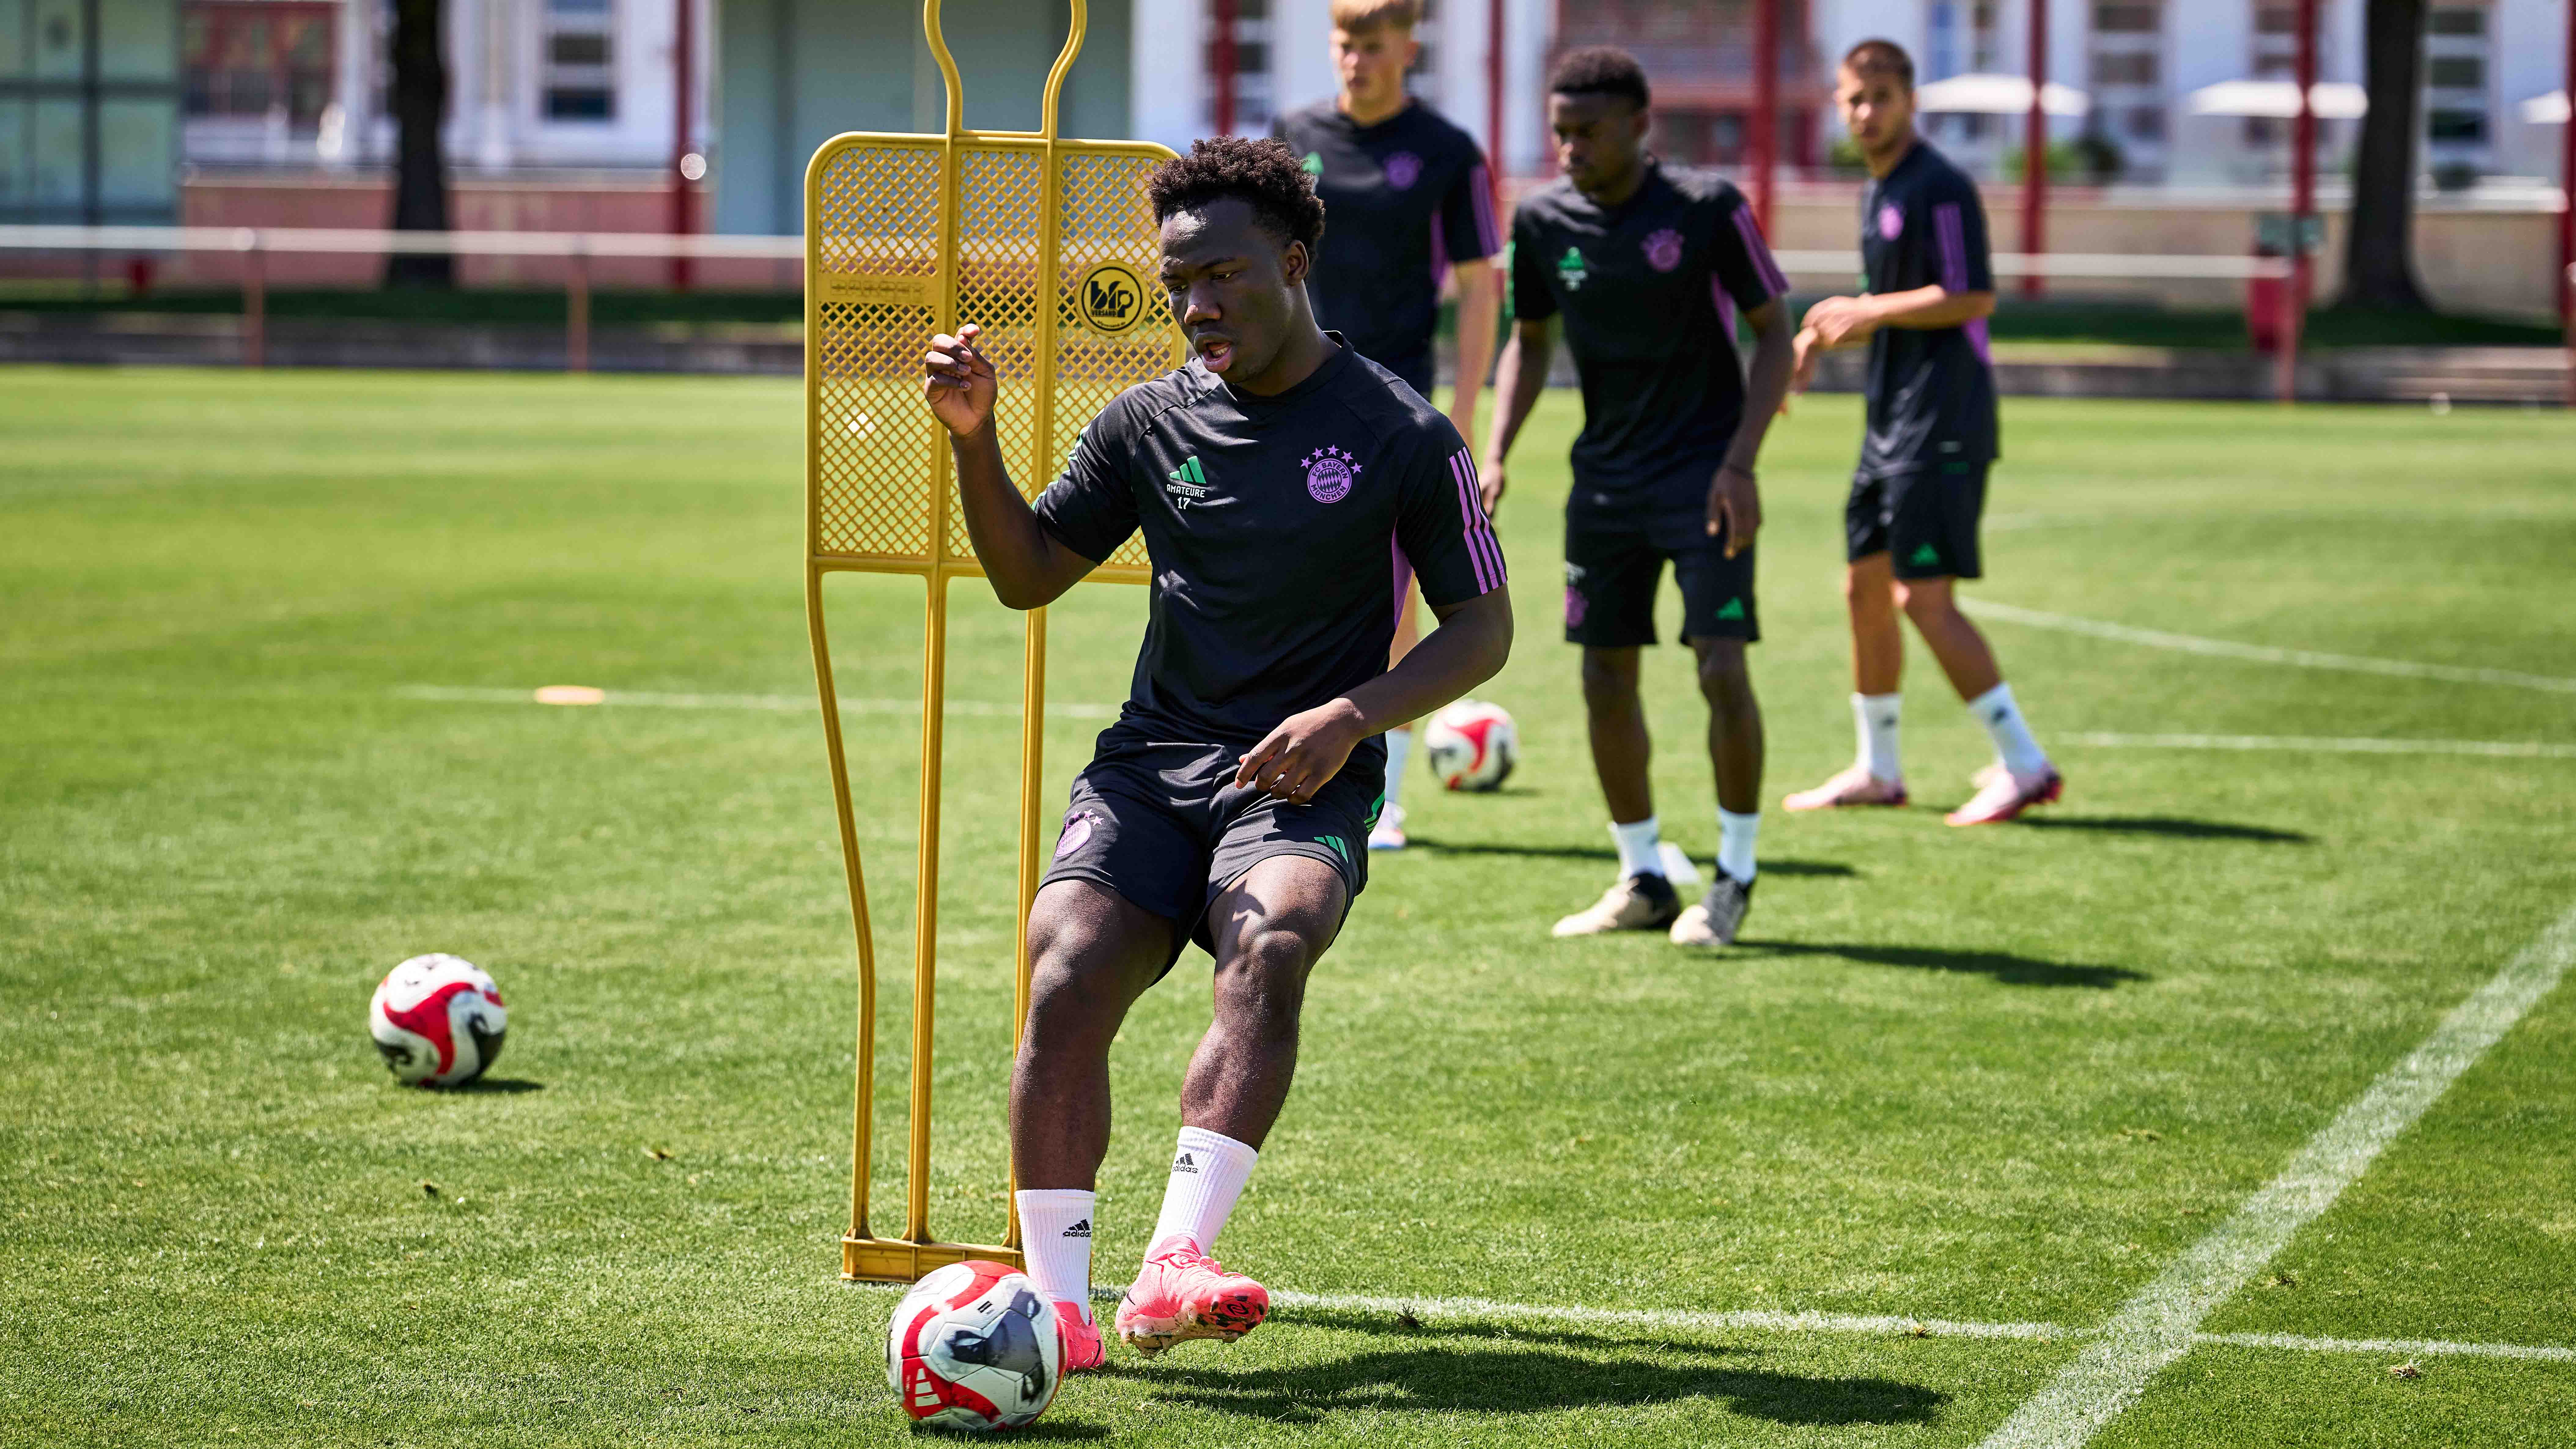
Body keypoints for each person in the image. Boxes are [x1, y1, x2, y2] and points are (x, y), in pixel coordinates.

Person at [920, 137, 1513, 1370]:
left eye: (1225, 277)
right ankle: (1059, 1313)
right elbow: (1029, 576)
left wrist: (1353, 716)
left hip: (1305, 773)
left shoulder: (1404, 433)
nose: (1195, 306)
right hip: (1154, 763)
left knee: (1274, 935)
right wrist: (975, 443)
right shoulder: (1143, 421)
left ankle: (1173, 1263)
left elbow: (1484, 629)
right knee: (1064, 970)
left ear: (1294, 266)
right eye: (1177, 280)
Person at [1480, 47, 1795, 948]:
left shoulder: (1706, 210)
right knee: (1601, 675)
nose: (1570, 147)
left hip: (1704, 480)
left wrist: (1741, 464)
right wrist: (1495, 450)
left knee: (1719, 668)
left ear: (1637, 126)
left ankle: (1733, 875)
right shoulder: (1540, 221)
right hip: (1605, 486)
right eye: (1560, 132)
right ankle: (1642, 874)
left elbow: (1777, 335)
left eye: (1588, 131)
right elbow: (1528, 342)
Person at [1783, 39, 2062, 826]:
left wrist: (1867, 309)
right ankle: (1878, 767)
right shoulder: (1879, 190)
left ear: (1909, 100)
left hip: (1941, 418)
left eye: (1880, 96)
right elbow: (1898, 300)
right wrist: (1825, 331)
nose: (1866, 111)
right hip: (1889, 421)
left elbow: (1970, 296)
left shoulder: (1938, 184)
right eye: (1853, 99)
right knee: (1863, 587)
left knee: (1922, 598)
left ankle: (2025, 764)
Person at [1272, 0, 1506, 851]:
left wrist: (1466, 416)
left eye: (1371, 46)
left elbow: (1482, 285)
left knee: (1390, 596)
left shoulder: (1446, 152)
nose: (1355, 60)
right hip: (1289, 397)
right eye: (1343, 44)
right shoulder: (1293, 133)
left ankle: (1385, 799)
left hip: (1396, 407)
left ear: (1407, 49)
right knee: (1278, 583)